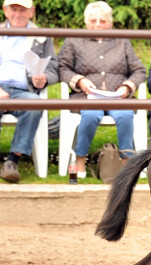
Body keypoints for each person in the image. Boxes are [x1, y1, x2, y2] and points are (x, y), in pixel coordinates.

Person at [58, 1, 146, 178]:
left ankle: (126, 165)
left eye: (103, 21)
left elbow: (139, 70)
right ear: (85, 22)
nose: (97, 25)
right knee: (91, 115)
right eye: (93, 21)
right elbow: (62, 68)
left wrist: (127, 86)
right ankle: (80, 161)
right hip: (86, 96)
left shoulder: (122, 41)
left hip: (118, 97)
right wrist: (80, 80)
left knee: (125, 115)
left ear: (111, 23)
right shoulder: (73, 41)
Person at [0, 0, 58, 183]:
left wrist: (44, 78)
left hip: (23, 91)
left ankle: (12, 161)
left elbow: (54, 68)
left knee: (35, 104)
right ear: (5, 11)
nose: (18, 14)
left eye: (22, 10)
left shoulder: (41, 36)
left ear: (31, 12)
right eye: (14, 9)